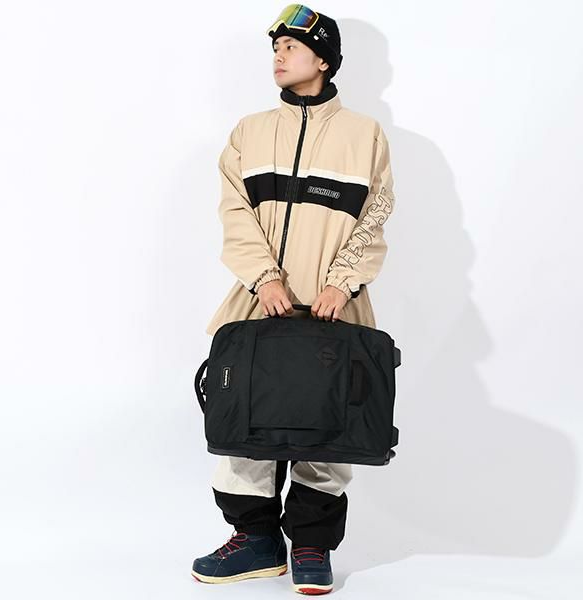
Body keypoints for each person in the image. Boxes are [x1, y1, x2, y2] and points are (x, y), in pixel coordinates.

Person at [192, 4, 396, 595]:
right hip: (259, 304)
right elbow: (234, 211)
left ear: (324, 60)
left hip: (336, 306)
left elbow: (376, 213)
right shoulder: (250, 132)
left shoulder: (364, 135)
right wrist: (264, 278)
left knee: (327, 428)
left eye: (292, 47)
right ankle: (255, 540)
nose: (278, 56)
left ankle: (310, 545)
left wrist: (341, 282)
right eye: (276, 48)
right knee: (242, 419)